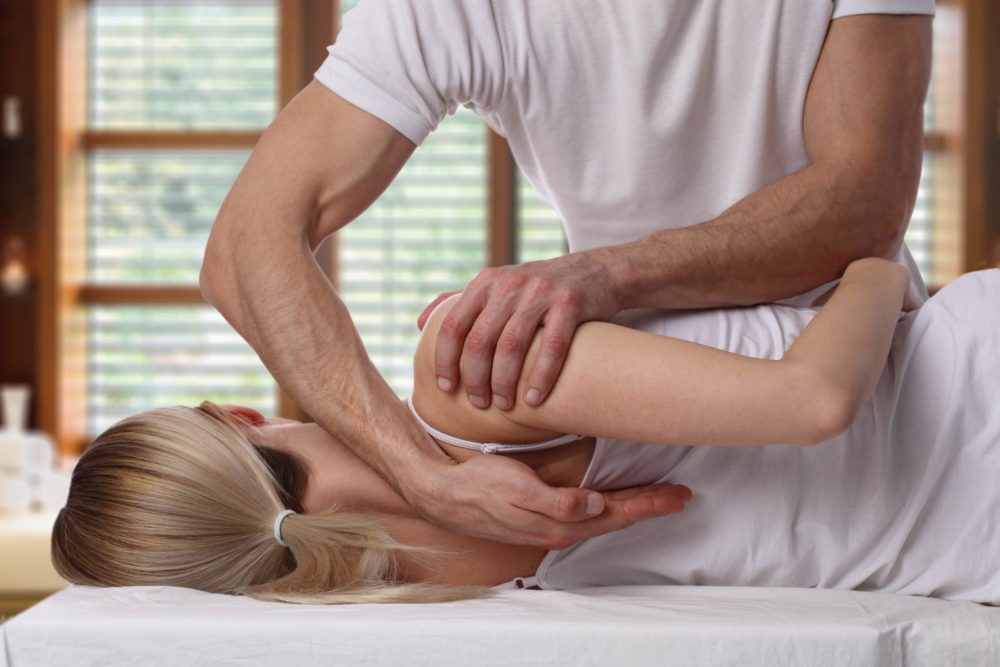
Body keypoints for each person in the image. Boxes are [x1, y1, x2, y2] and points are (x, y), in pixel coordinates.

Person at [199, 1, 935, 547]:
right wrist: (424, 478)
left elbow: (867, 202)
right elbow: (246, 246)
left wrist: (607, 274)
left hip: (874, 359)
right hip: (639, 392)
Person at [52, 259, 1000, 605]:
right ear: (236, 413)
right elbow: (813, 404)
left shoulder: (431, 599)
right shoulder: (461, 381)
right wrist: (873, 260)